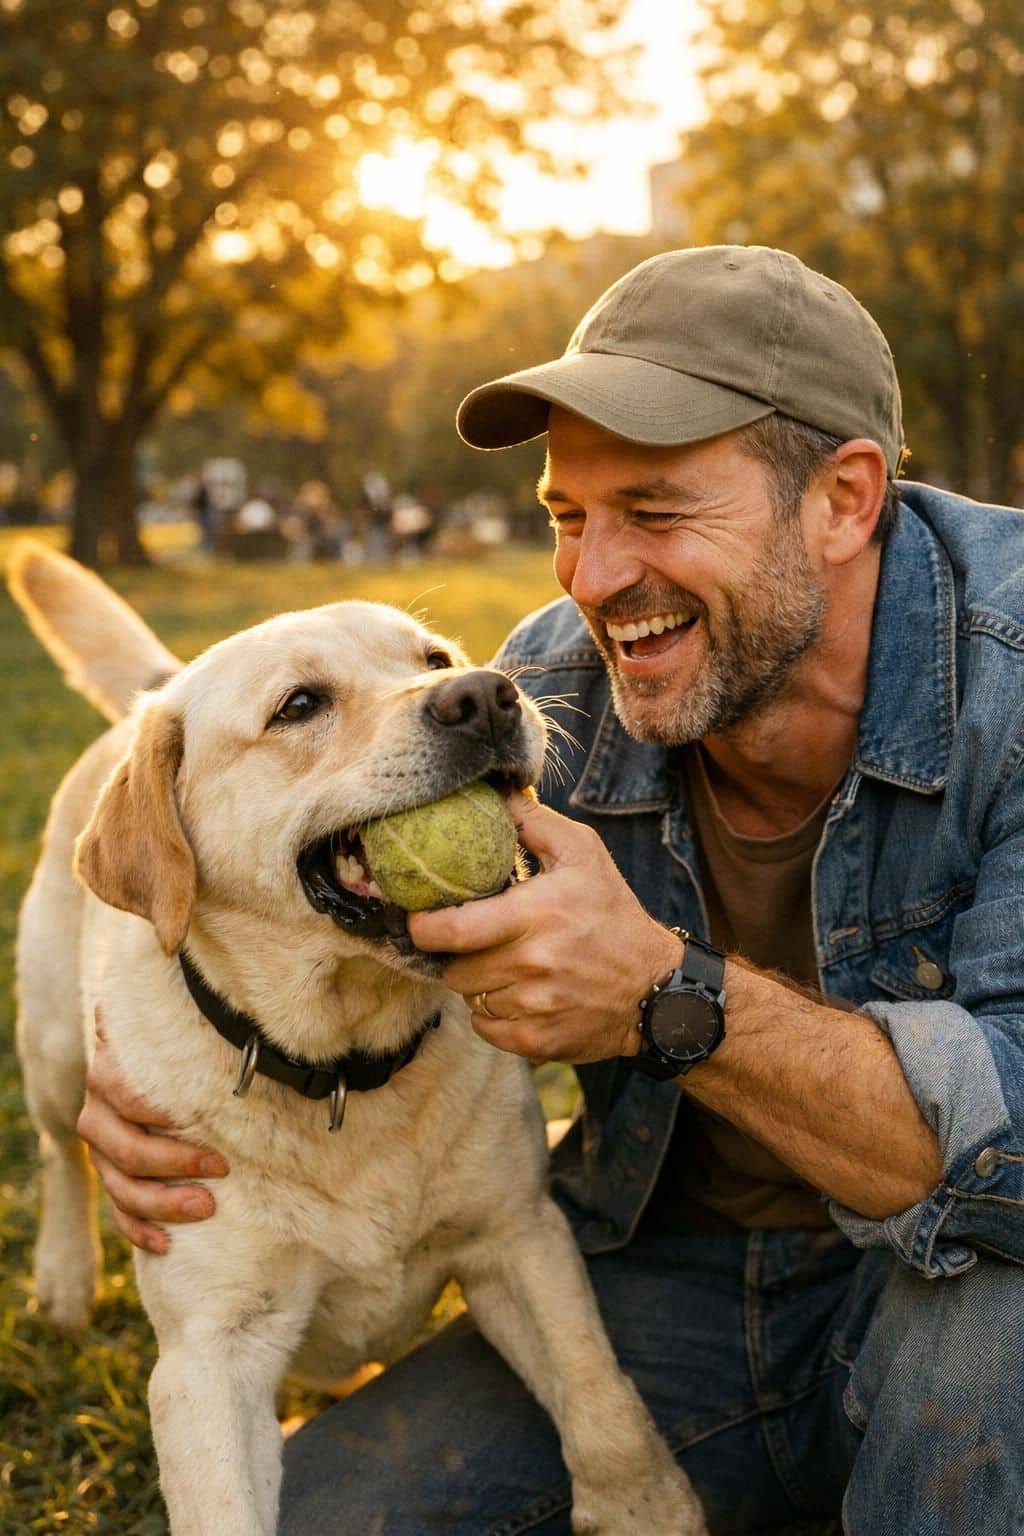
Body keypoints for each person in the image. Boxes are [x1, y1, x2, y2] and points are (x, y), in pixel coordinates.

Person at [77, 247, 1024, 1534]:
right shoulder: (544, 694)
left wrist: (659, 992)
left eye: (657, 509)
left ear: (845, 499)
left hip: (960, 1281)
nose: (587, 580)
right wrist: (142, 1069)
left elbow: (1005, 1147)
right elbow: (242, 890)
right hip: (670, 1273)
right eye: (567, 517)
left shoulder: (1012, 688)